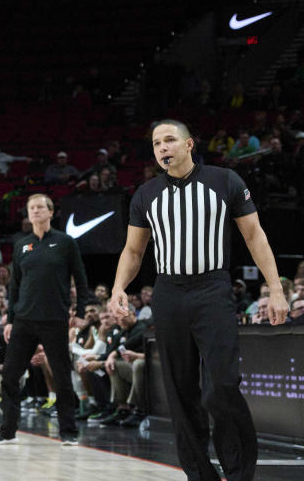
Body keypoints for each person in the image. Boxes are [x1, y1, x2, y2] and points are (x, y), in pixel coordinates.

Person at [109, 120, 288, 481]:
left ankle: (238, 472)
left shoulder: (225, 181)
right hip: (168, 292)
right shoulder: (145, 194)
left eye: (170, 140)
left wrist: (276, 289)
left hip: (213, 289)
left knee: (221, 385)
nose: (163, 148)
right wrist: (117, 289)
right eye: (157, 143)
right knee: (179, 391)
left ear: (189, 145)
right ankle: (199, 474)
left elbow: (255, 236)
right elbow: (133, 250)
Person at [0, 193, 89, 446]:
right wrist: (10, 319)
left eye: (40, 207)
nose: (35, 211)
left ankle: (68, 431)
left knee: (62, 377)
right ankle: (8, 430)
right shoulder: (22, 245)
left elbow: (81, 280)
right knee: (10, 376)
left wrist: (79, 314)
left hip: (55, 320)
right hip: (23, 320)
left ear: (50, 212)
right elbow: (14, 287)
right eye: (31, 207)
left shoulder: (66, 243)